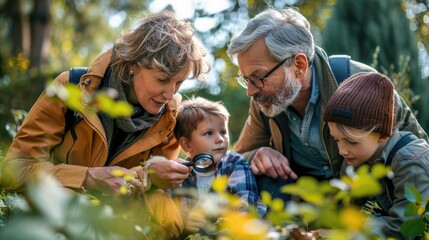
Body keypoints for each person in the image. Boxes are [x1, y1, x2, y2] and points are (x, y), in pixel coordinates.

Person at [1, 11, 209, 239]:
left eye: (179, 82)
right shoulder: (70, 88)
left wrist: (152, 177)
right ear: (133, 65)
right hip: (56, 224)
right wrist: (87, 177)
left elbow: (153, 197)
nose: (170, 94)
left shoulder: (169, 114)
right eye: (162, 80)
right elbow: (14, 171)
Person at [226, 7, 428, 201]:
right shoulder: (264, 102)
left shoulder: (361, 83)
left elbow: (417, 152)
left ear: (299, 65)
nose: (250, 91)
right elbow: (235, 158)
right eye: (246, 79)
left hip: (364, 206)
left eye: (258, 77)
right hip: (307, 208)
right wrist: (257, 154)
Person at [324, 72, 429, 239]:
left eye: (351, 141)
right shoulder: (355, 161)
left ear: (382, 135)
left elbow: (407, 226)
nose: (342, 150)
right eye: (337, 140)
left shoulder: (410, 162)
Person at [173, 96, 267, 237]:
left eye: (223, 131)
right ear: (186, 144)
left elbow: (246, 201)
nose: (220, 139)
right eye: (209, 133)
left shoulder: (234, 164)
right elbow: (176, 210)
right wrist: (185, 222)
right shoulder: (180, 173)